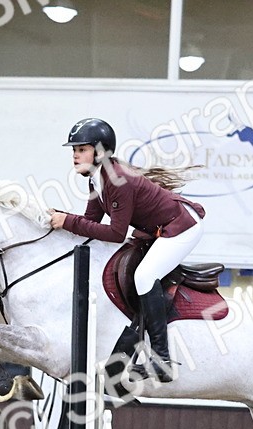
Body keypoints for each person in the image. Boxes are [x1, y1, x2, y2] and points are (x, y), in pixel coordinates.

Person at [49, 118, 205, 382]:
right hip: (161, 226)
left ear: (100, 152)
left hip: (182, 226)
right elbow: (91, 223)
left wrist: (68, 221)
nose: (75, 156)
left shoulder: (118, 180)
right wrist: (63, 222)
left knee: (144, 276)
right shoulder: (97, 180)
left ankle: (161, 361)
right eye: (74, 150)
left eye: (82, 150)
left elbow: (115, 233)